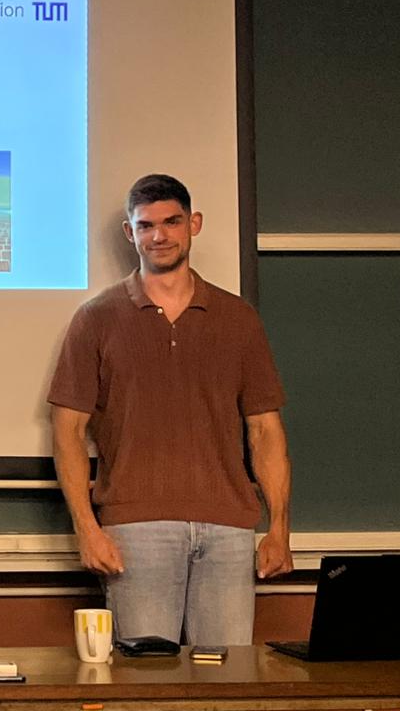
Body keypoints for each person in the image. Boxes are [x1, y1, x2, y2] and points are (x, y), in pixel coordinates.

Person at [48, 174, 292, 645]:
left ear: (193, 224)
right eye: (146, 225)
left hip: (229, 527)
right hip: (135, 528)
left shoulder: (238, 319)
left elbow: (265, 430)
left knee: (227, 679)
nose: (159, 235)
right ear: (130, 232)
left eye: (171, 222)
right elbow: (67, 433)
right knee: (146, 679)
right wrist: (87, 529)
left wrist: (279, 527)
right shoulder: (96, 318)